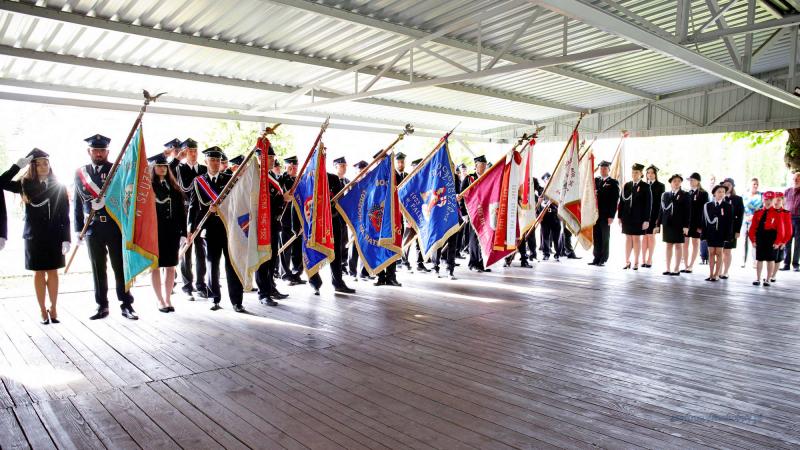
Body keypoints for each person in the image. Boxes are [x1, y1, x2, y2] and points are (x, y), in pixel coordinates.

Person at [1, 149, 70, 324]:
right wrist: (17, 167)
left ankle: (54, 307)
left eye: (45, 163)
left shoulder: (58, 186)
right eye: (38, 164)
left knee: (53, 272)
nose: (43, 167)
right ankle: (42, 309)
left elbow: (64, 215)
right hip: (34, 236)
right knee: (39, 272)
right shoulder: (24, 185)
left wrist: (66, 238)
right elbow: (1, 182)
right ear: (32, 167)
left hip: (54, 235)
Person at [74, 134, 138, 320]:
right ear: (89, 151)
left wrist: (107, 202)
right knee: (98, 268)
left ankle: (126, 304)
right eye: (95, 150)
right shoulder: (81, 172)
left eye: (102, 150)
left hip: (114, 226)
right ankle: (101, 305)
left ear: (107, 152)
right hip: (92, 227)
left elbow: (126, 197)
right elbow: (77, 202)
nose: (99, 153)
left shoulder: (117, 169)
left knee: (120, 267)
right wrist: (78, 229)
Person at [187, 146, 245, 312]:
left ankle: (237, 301)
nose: (215, 163)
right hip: (210, 230)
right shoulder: (199, 181)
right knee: (212, 264)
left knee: (232, 265)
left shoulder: (229, 179)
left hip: (229, 228)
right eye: (212, 160)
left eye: (218, 160)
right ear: (206, 161)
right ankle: (214, 298)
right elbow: (193, 206)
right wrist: (190, 228)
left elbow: (237, 201)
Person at [309, 156, 356, 295]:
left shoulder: (333, 179)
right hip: (314, 223)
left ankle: (338, 283)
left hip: (333, 222)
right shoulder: (308, 180)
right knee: (313, 253)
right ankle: (315, 283)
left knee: (335, 254)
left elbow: (341, 201)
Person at [147, 154, 186, 312]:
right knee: (155, 266)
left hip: (172, 232)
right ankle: (160, 300)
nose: (162, 168)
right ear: (153, 168)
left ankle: (168, 298)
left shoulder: (174, 187)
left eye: (165, 166)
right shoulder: (148, 187)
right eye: (159, 166)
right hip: (154, 232)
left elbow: (182, 212)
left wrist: (184, 232)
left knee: (171, 266)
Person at [255, 145, 290, 305]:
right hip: (262, 225)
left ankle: (270, 287)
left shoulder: (271, 176)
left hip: (274, 224)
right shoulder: (256, 177)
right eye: (269, 157)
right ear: (260, 158)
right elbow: (262, 202)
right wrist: (283, 198)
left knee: (272, 258)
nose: (272, 160)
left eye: (272, 157)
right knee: (263, 260)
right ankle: (263, 293)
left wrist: (283, 199)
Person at [174, 138, 208, 301]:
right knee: (186, 250)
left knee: (201, 251)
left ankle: (201, 285)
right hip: (184, 213)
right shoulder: (178, 169)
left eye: (195, 151)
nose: (193, 154)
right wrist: (176, 159)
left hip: (201, 214)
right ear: (184, 153)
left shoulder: (204, 169)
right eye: (189, 151)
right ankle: (187, 286)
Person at [376, 152, 406, 286]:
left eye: (385, 160)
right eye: (380, 161)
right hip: (378, 218)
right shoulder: (374, 176)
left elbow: (402, 195)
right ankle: (380, 276)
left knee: (392, 246)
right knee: (379, 248)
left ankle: (391, 276)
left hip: (394, 218)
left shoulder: (395, 175)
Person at [618, 163, 652, 270]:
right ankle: (627, 261)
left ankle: (636, 262)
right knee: (628, 238)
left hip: (639, 218)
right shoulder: (627, 185)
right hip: (626, 217)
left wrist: (646, 220)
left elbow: (648, 204)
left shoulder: (646, 186)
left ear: (641, 174)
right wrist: (619, 217)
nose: (634, 174)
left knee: (636, 239)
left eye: (636, 172)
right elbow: (622, 202)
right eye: (633, 172)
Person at [655, 174, 690, 276]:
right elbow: (661, 210)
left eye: (679, 181)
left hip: (679, 224)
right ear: (671, 183)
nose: (676, 183)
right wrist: (657, 224)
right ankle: (668, 268)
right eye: (674, 181)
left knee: (678, 245)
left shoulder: (685, 194)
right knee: (668, 245)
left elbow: (688, 211)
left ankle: (676, 268)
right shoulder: (665, 195)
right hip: (667, 223)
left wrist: (686, 226)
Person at [748, 192, 785, 286]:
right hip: (760, 238)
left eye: (770, 200)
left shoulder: (777, 213)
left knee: (770, 259)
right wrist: (753, 240)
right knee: (759, 259)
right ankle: (758, 278)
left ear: (773, 200)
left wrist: (778, 242)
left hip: (771, 238)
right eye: (766, 199)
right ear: (763, 200)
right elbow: (752, 228)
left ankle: (768, 279)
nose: (768, 202)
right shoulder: (758, 212)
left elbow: (781, 230)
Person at [279, 155, 305, 285]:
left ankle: (297, 273)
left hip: (299, 218)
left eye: (296, 166)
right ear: (286, 166)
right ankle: (285, 274)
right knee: (286, 248)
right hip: (285, 219)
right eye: (291, 166)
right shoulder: (281, 179)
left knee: (298, 249)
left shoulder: (301, 180)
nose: (294, 168)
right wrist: (286, 175)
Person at [589, 160, 619, 267]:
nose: (603, 170)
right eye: (601, 168)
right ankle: (596, 257)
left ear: (609, 170)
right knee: (596, 236)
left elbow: (614, 201)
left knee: (605, 237)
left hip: (606, 215)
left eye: (605, 168)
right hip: (595, 214)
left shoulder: (613, 182)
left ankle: (603, 258)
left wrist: (611, 216)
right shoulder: (595, 180)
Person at [463, 155, 491, 271]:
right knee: (474, 238)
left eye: (485, 165)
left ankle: (481, 263)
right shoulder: (469, 179)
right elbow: (462, 196)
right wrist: (464, 213)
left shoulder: (487, 177)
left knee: (484, 237)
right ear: (476, 166)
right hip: (472, 213)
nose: (484, 167)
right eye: (482, 165)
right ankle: (473, 263)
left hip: (485, 213)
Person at [702, 184, 733, 282]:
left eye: (723, 192)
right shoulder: (708, 205)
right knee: (711, 253)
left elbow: (729, 222)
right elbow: (704, 221)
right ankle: (711, 274)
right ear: (714, 193)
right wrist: (704, 234)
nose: (721, 194)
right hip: (710, 232)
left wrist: (728, 236)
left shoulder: (728, 206)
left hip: (721, 233)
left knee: (719, 253)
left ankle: (717, 274)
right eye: (719, 192)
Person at [681, 173, 708, 273]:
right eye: (690, 180)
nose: (690, 182)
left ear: (698, 181)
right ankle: (686, 265)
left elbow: (704, 211)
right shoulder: (687, 193)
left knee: (695, 243)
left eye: (692, 180)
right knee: (685, 243)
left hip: (697, 223)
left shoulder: (703, 193)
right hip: (687, 223)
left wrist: (701, 225)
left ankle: (691, 265)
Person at [720, 178, 744, 279]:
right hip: (719, 228)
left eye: (729, 184)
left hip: (731, 229)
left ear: (732, 186)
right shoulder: (719, 197)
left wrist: (737, 230)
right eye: (725, 184)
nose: (726, 186)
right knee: (719, 251)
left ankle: (725, 271)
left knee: (727, 251)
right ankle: (718, 271)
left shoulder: (738, 199)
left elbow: (740, 216)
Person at [641, 165, 664, 268]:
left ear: (655, 174)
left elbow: (661, 203)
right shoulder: (643, 185)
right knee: (644, 237)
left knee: (651, 236)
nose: (650, 174)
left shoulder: (660, 186)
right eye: (648, 173)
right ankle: (643, 259)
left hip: (655, 215)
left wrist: (658, 218)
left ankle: (650, 259)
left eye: (652, 173)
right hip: (644, 215)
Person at [769, 192, 793, 282]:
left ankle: (773, 275)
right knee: (769, 258)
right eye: (775, 200)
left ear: (782, 201)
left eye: (779, 200)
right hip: (769, 238)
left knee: (777, 258)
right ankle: (768, 274)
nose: (776, 202)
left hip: (780, 239)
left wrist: (784, 242)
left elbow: (789, 229)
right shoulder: (768, 211)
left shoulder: (786, 213)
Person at [781, 171, 800, 272]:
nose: (795, 180)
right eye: (794, 179)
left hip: (799, 219)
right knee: (787, 242)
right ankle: (786, 264)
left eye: (798, 179)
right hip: (788, 219)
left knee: (798, 243)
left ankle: (795, 264)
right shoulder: (787, 191)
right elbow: (783, 204)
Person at [742, 178, 763, 268]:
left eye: (757, 184)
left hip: (756, 221)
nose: (755, 186)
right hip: (745, 220)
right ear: (750, 184)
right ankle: (743, 261)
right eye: (754, 184)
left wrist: (754, 216)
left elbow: (762, 208)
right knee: (744, 241)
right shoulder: (744, 195)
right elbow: (741, 208)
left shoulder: (761, 196)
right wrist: (745, 216)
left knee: (754, 241)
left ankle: (755, 261)